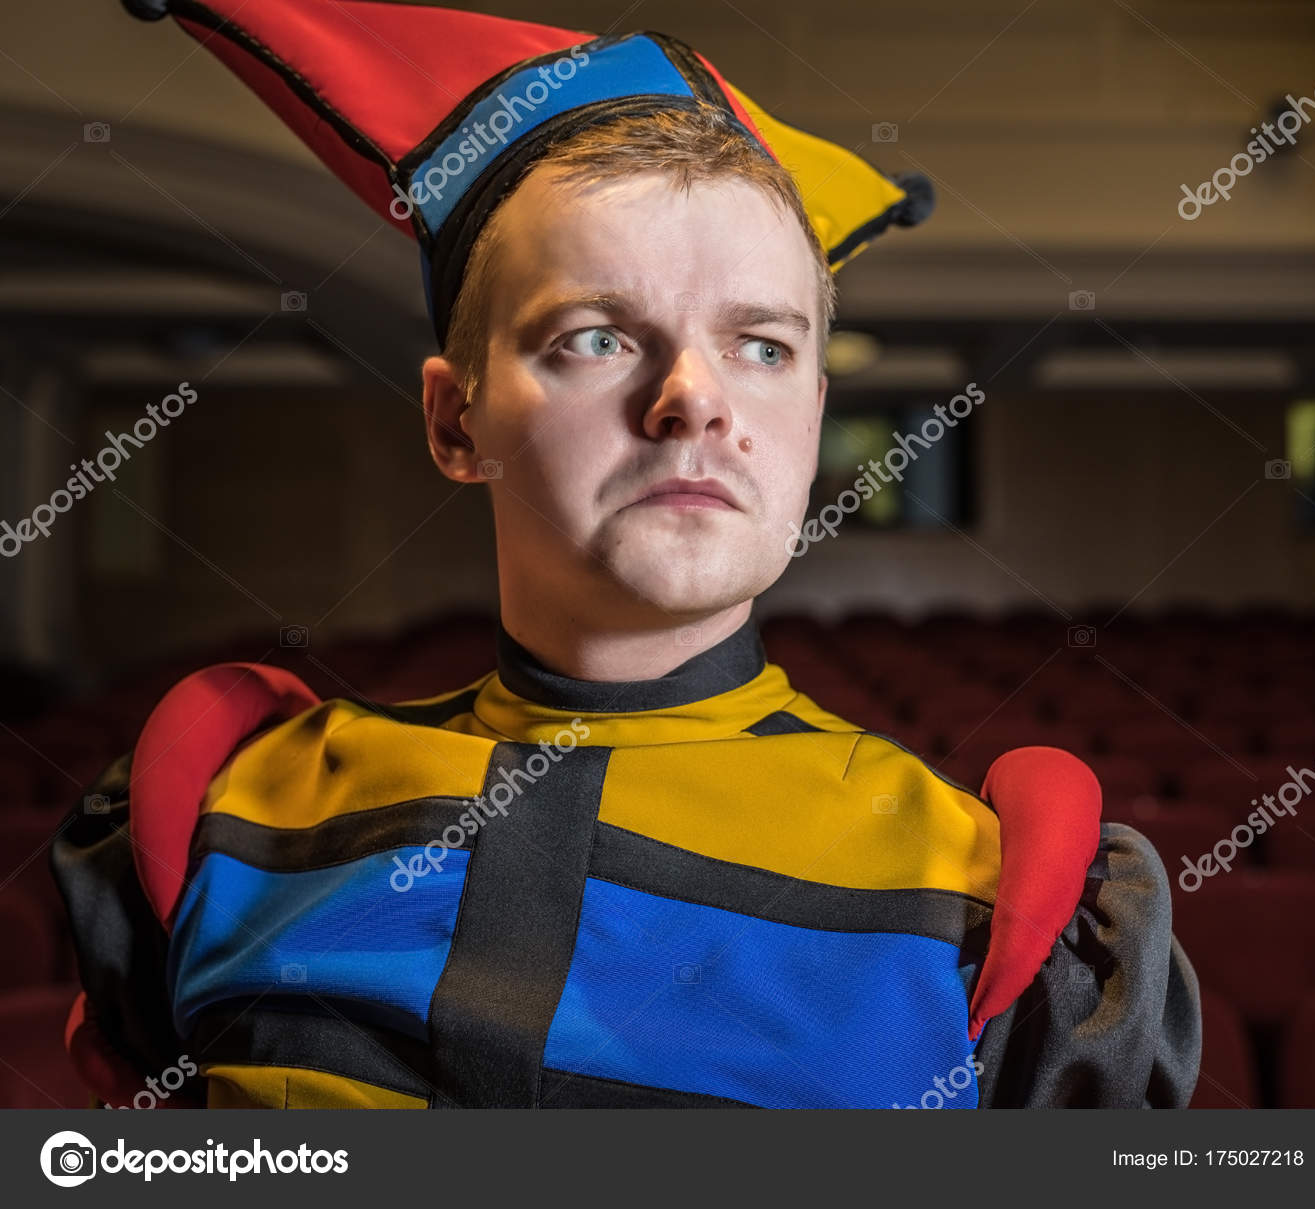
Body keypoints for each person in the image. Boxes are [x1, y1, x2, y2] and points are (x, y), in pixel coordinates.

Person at [53, 0, 1200, 1109]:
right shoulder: (225, 816)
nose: (692, 400)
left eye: (759, 345)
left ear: (810, 412)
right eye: (595, 337)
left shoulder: (995, 899)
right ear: (456, 423)